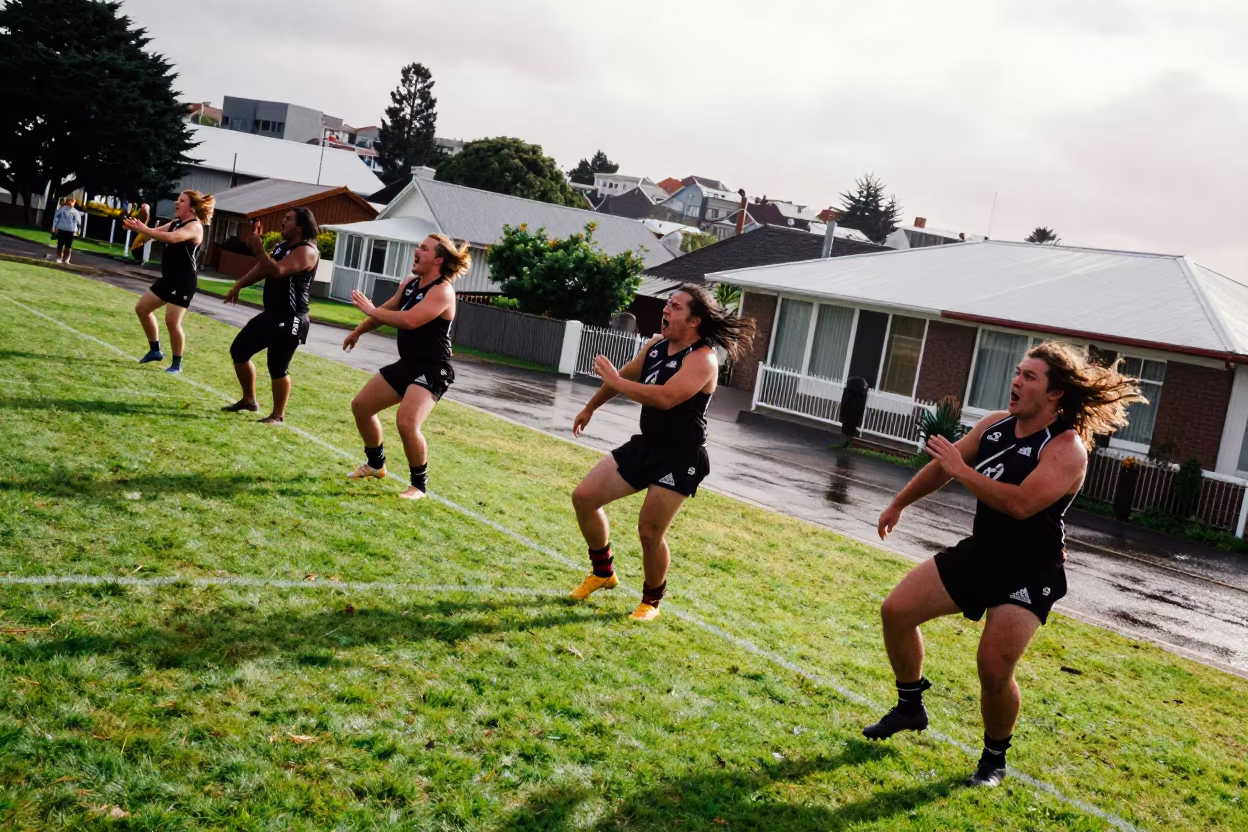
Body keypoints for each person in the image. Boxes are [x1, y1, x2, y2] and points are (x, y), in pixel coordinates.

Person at [862, 342, 1143, 787]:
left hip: (1031, 570)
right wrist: (899, 504)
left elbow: (1021, 504)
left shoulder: (1066, 449)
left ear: (1054, 394)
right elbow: (941, 469)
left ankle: (994, 760)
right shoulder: (996, 426)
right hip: (983, 553)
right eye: (1017, 372)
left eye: (1030, 377)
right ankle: (910, 706)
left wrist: (961, 469)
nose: (1016, 382)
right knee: (896, 610)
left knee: (993, 669)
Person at [566, 285, 755, 621]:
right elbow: (623, 377)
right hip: (648, 444)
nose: (666, 310)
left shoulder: (703, 359)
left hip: (682, 457)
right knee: (584, 497)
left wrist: (616, 381)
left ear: (695, 320)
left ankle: (651, 601)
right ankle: (603, 572)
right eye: (668, 303)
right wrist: (590, 407)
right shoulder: (656, 346)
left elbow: (665, 397)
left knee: (649, 532)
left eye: (675, 306)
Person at [343, 234, 471, 499]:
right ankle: (376, 465)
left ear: (437, 259)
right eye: (417, 246)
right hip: (409, 363)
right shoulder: (410, 284)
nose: (416, 251)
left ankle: (418, 487)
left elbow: (410, 320)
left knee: (407, 421)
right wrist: (358, 331)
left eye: (423, 249)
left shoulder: (442, 290)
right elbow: (388, 309)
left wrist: (370, 310)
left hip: (434, 367)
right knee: (361, 406)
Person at [221, 208, 320, 424]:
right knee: (239, 350)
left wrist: (258, 249)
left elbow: (277, 271)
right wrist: (239, 285)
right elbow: (263, 269)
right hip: (272, 313)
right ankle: (249, 400)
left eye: (288, 219)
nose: (282, 221)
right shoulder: (282, 246)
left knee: (277, 366)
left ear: (300, 226)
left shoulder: (307, 251)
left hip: (292, 317)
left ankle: (277, 416)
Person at [123, 191, 213, 374]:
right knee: (142, 308)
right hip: (169, 278)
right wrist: (135, 227)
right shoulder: (176, 223)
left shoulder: (194, 227)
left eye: (181, 200)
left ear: (192, 207)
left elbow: (172, 238)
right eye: (177, 199)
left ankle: (176, 364)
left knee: (172, 321)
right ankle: (155, 350)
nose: (176, 202)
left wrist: (143, 229)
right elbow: (155, 233)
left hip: (184, 281)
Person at [51, 197, 83, 265]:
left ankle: (66, 259)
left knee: (68, 245)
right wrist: (54, 227)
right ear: (67, 202)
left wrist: (78, 231)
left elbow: (78, 222)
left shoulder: (75, 212)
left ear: (74, 203)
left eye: (72, 201)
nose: (70, 202)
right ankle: (59, 257)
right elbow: (56, 218)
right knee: (60, 244)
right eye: (69, 201)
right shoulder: (62, 210)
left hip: (71, 230)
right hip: (61, 228)